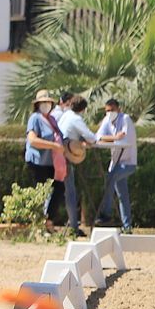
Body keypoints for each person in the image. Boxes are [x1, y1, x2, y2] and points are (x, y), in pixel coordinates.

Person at [23, 89, 67, 227]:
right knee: (41, 193)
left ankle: (47, 220)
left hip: (50, 162)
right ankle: (39, 223)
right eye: (43, 102)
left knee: (58, 189)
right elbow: (32, 139)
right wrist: (53, 146)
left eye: (48, 102)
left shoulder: (52, 119)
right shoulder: (35, 118)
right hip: (37, 162)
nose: (46, 105)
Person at [56, 95, 98, 236]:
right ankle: (74, 227)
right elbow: (91, 137)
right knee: (70, 193)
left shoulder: (66, 115)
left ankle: (71, 225)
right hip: (66, 155)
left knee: (61, 191)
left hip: (58, 154)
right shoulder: (76, 119)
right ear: (83, 109)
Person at [94, 98, 137, 233]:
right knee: (123, 196)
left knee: (110, 179)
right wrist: (113, 138)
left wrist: (110, 139)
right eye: (107, 111)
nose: (110, 113)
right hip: (115, 162)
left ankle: (106, 214)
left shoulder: (125, 120)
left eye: (112, 110)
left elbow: (123, 140)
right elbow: (98, 136)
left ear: (118, 109)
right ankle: (127, 226)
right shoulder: (107, 121)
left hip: (128, 162)